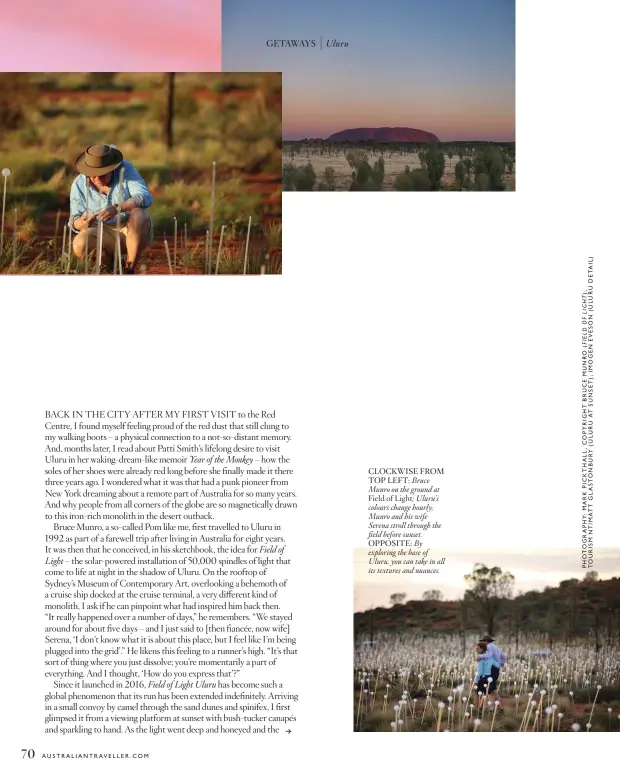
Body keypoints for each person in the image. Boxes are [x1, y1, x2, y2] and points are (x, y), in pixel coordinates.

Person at [69, 144, 154, 273]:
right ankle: (109, 268)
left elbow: (145, 197)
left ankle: (129, 269)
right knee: (79, 244)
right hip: (101, 231)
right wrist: (83, 223)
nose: (97, 179)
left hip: (130, 229)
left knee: (139, 214)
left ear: (111, 168)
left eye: (102, 174)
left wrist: (117, 208)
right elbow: (74, 220)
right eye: (92, 175)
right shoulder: (78, 184)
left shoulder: (126, 170)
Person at [478, 634, 506, 708]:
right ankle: (500, 707)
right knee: (492, 688)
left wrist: (480, 657)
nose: (483, 643)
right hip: (496, 669)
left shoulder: (489, 647)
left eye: (484, 641)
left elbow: (489, 655)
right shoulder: (496, 648)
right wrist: (500, 664)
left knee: (489, 688)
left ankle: (492, 708)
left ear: (486, 641)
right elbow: (503, 656)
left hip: (490, 669)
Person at [473, 640, 499, 708]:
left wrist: (476, 681)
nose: (476, 649)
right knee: (488, 693)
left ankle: (478, 709)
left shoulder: (480, 658)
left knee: (477, 693)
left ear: (482, 649)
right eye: (476, 648)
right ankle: (491, 708)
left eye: (478, 648)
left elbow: (480, 671)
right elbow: (497, 665)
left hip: (482, 677)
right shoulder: (490, 657)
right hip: (489, 677)